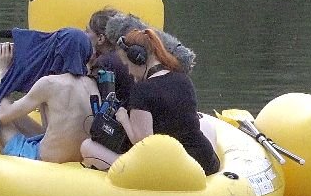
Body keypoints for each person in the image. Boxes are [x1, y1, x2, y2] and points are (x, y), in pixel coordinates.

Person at [80, 27, 220, 175]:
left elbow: (143, 144)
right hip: (204, 162)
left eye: (127, 65)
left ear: (138, 59)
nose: (128, 72)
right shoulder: (183, 79)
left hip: (172, 172)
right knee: (204, 124)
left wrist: (123, 118)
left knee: (87, 146)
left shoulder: (142, 90)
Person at [0, 27, 99, 164]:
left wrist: (4, 72)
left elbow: (2, 115)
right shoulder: (92, 84)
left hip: (38, 158)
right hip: (73, 156)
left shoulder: (49, 84)